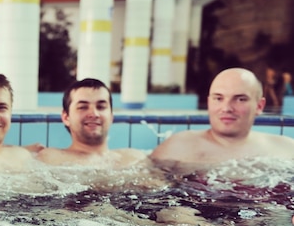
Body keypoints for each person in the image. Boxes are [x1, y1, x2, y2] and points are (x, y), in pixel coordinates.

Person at [150, 67, 294, 165]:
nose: (226, 108)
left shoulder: (286, 149)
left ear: (259, 106)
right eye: (218, 98)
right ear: (209, 102)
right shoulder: (179, 147)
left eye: (240, 99)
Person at [35, 78, 146, 168]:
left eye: (101, 107)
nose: (94, 114)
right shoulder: (51, 158)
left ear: (111, 116)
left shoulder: (134, 158)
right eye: (83, 107)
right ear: (66, 117)